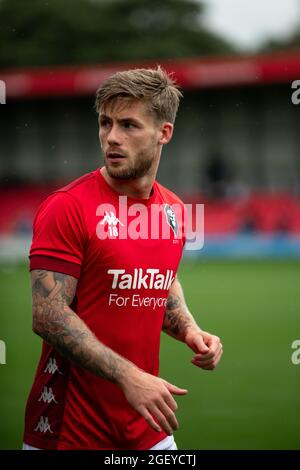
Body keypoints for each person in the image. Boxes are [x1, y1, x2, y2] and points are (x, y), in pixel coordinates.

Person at [23, 67, 223, 450]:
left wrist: (190, 330)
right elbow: (47, 314)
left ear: (164, 133)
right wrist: (131, 377)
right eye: (105, 123)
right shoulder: (67, 207)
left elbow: (160, 281)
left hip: (148, 423)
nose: (112, 138)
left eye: (129, 125)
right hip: (68, 430)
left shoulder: (175, 212)